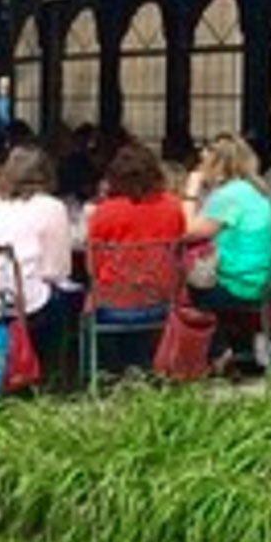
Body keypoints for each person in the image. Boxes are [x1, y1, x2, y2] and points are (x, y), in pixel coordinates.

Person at [0, 143, 82, 381]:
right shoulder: (51, 207)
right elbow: (58, 270)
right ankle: (52, 374)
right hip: (22, 302)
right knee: (67, 300)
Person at [87, 141, 187, 375]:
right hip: (160, 300)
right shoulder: (173, 207)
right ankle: (142, 364)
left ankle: (108, 369)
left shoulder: (104, 212)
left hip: (113, 304)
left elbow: (92, 266)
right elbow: (179, 252)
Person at [180, 133, 271, 365]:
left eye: (203, 162)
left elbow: (187, 231)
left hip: (236, 285)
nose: (200, 168)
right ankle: (232, 346)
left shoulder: (228, 196)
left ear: (217, 164)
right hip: (260, 281)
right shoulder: (254, 192)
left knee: (183, 287)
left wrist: (191, 191)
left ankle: (216, 351)